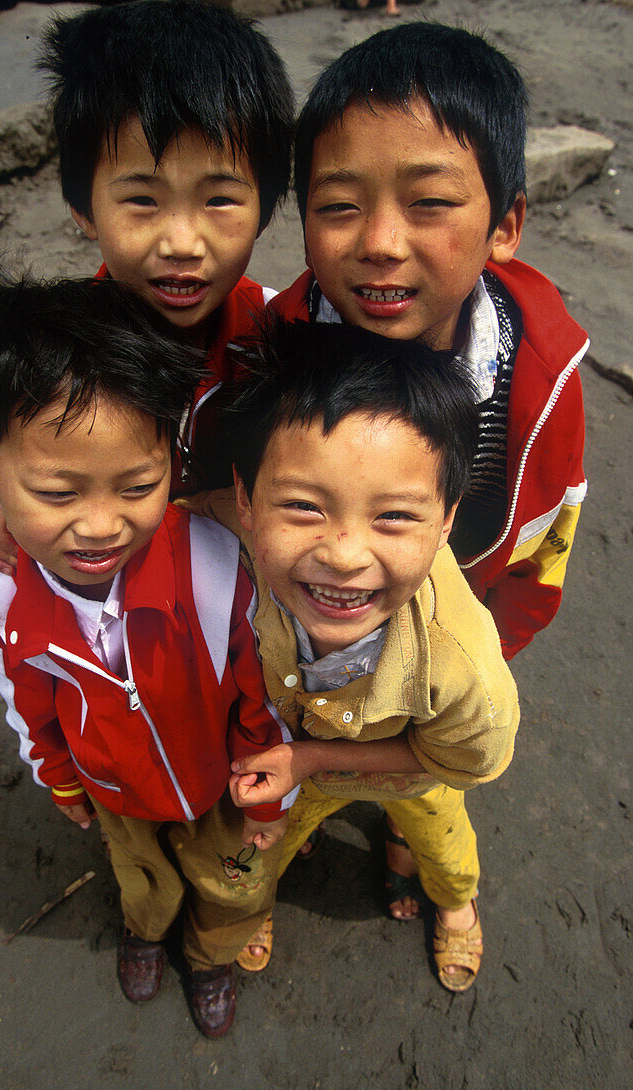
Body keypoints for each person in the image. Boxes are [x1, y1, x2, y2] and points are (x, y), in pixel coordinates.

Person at [270, 23, 588, 917]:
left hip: (455, 630)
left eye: (429, 203)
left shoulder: (540, 381)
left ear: (506, 225)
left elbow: (542, 541)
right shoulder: (278, 352)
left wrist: (485, 648)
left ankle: (429, 865)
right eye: (338, 206)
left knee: (430, 793)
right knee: (304, 763)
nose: (378, 241)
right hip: (316, 641)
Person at [0, 253, 295, 1039]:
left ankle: (209, 958)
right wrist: (65, 783)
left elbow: (258, 698)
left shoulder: (213, 569)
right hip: (114, 793)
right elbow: (27, 709)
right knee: (143, 879)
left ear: (173, 456)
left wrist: (266, 792)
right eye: (57, 493)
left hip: (217, 786)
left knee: (230, 886)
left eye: (137, 486)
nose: (100, 525)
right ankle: (144, 930)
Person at [187, 319, 520, 991]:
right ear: (246, 500)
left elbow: (457, 761)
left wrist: (309, 757)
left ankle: (455, 903)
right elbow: (123, 517)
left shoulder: (463, 670)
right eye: (304, 507)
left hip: (400, 773)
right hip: (295, 772)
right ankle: (257, 898)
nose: (343, 554)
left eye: (394, 516)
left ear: (447, 517)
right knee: (261, 851)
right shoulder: (211, 526)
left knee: (443, 844)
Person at [0, 0, 294, 570]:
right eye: (142, 200)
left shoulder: (287, 338)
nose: (181, 242)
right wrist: (8, 506)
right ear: (83, 206)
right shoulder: (52, 351)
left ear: (265, 207)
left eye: (219, 199)